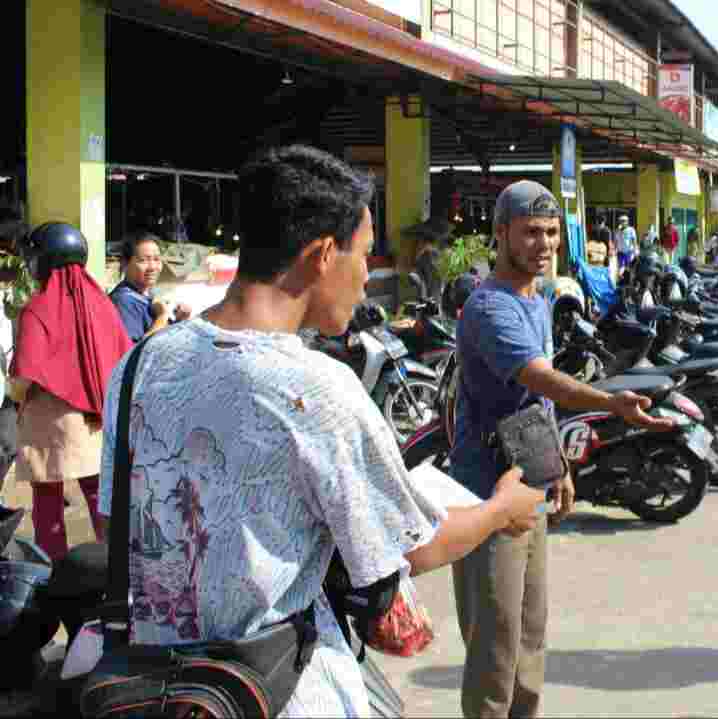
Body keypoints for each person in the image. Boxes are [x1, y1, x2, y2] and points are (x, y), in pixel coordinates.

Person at [97, 145, 548, 716]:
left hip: (154, 690)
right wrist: (501, 508)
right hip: (281, 690)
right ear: (322, 254)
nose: (366, 277)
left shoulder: (140, 364)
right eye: (364, 255)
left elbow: (117, 521)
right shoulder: (317, 389)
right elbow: (413, 546)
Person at [449, 180, 675, 718]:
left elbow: (533, 404)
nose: (544, 243)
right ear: (500, 234)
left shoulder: (539, 299)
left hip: (528, 481)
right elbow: (545, 381)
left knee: (530, 631)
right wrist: (612, 403)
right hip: (488, 493)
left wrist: (559, 469)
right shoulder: (489, 307)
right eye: (530, 232)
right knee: (495, 639)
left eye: (551, 232)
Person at [6, 223, 132, 561]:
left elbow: (22, 379)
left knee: (47, 507)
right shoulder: (102, 304)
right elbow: (123, 356)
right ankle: (113, 569)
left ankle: (53, 574)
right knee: (98, 498)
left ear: (40, 262)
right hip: (97, 418)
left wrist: (15, 396)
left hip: (50, 423)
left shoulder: (38, 307)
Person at [110, 232, 192, 343]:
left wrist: (180, 319)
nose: (152, 267)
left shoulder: (148, 295)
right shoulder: (123, 301)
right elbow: (134, 353)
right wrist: (162, 316)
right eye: (143, 260)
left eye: (157, 259)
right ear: (125, 263)